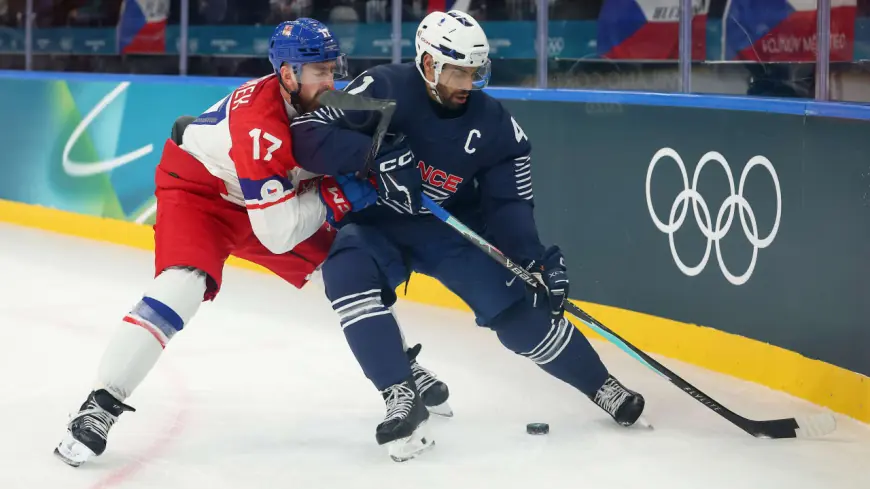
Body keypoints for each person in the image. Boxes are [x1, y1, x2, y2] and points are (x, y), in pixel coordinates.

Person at [54, 18, 450, 468]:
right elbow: (278, 234)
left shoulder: (319, 101)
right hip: (200, 194)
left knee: (347, 267)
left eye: (330, 69)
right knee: (182, 284)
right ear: (286, 74)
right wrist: (339, 195)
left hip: (266, 199)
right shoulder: (258, 124)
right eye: (318, 71)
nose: (330, 80)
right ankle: (100, 404)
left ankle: (398, 372)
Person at [290, 10, 647, 462]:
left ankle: (602, 386)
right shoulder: (384, 88)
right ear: (426, 64)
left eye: (474, 72)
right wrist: (373, 153)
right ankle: (400, 392)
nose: (467, 83)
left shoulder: (496, 126)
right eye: (457, 71)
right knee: (345, 272)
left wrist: (532, 257)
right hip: (378, 223)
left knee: (516, 314)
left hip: (449, 231)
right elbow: (308, 132)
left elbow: (509, 204)